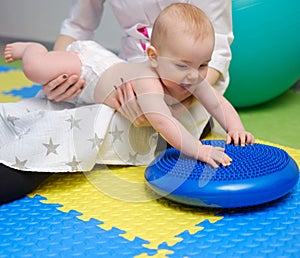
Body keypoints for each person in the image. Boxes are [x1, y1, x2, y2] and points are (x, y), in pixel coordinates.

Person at [4, 3, 254, 169]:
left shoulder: (188, 72)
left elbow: (217, 101)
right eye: (183, 66)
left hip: (114, 66)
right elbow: (163, 121)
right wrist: (199, 150)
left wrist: (235, 128)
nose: (193, 77)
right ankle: (31, 49)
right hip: (88, 67)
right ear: (153, 56)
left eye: (202, 65)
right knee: (37, 69)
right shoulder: (149, 82)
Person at [43, 0, 233, 130]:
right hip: (127, 76)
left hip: (188, 89)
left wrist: (172, 105)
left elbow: (217, 51)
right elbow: (77, 28)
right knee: (52, 117)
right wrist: (55, 77)